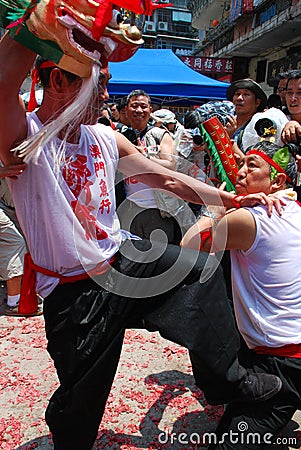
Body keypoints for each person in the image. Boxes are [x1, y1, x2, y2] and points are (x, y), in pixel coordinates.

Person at [0, 25, 284, 450]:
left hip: (121, 262)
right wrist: (36, 23)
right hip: (74, 292)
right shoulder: (24, 137)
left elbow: (168, 180)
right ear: (60, 80)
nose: (107, 96)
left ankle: (232, 380)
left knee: (200, 270)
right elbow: (3, 83)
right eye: (102, 84)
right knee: (80, 405)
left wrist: (228, 197)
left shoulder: (105, 136)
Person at [181, 140, 301, 449]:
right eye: (242, 163)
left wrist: (218, 206)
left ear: (277, 181)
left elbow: (188, 247)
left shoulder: (250, 218)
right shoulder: (296, 209)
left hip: (281, 363)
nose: (240, 172)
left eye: (253, 165)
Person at [121, 89, 182, 244]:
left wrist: (146, 158)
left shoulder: (160, 134)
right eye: (134, 106)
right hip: (129, 208)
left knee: (159, 256)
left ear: (150, 110)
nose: (139, 110)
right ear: (126, 110)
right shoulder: (121, 135)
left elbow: (170, 165)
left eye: (143, 106)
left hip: (157, 209)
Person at [226, 78, 268, 151]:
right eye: (237, 94)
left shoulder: (259, 128)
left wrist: (226, 138)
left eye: (246, 94)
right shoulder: (225, 121)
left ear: (257, 102)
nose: (239, 98)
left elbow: (251, 161)